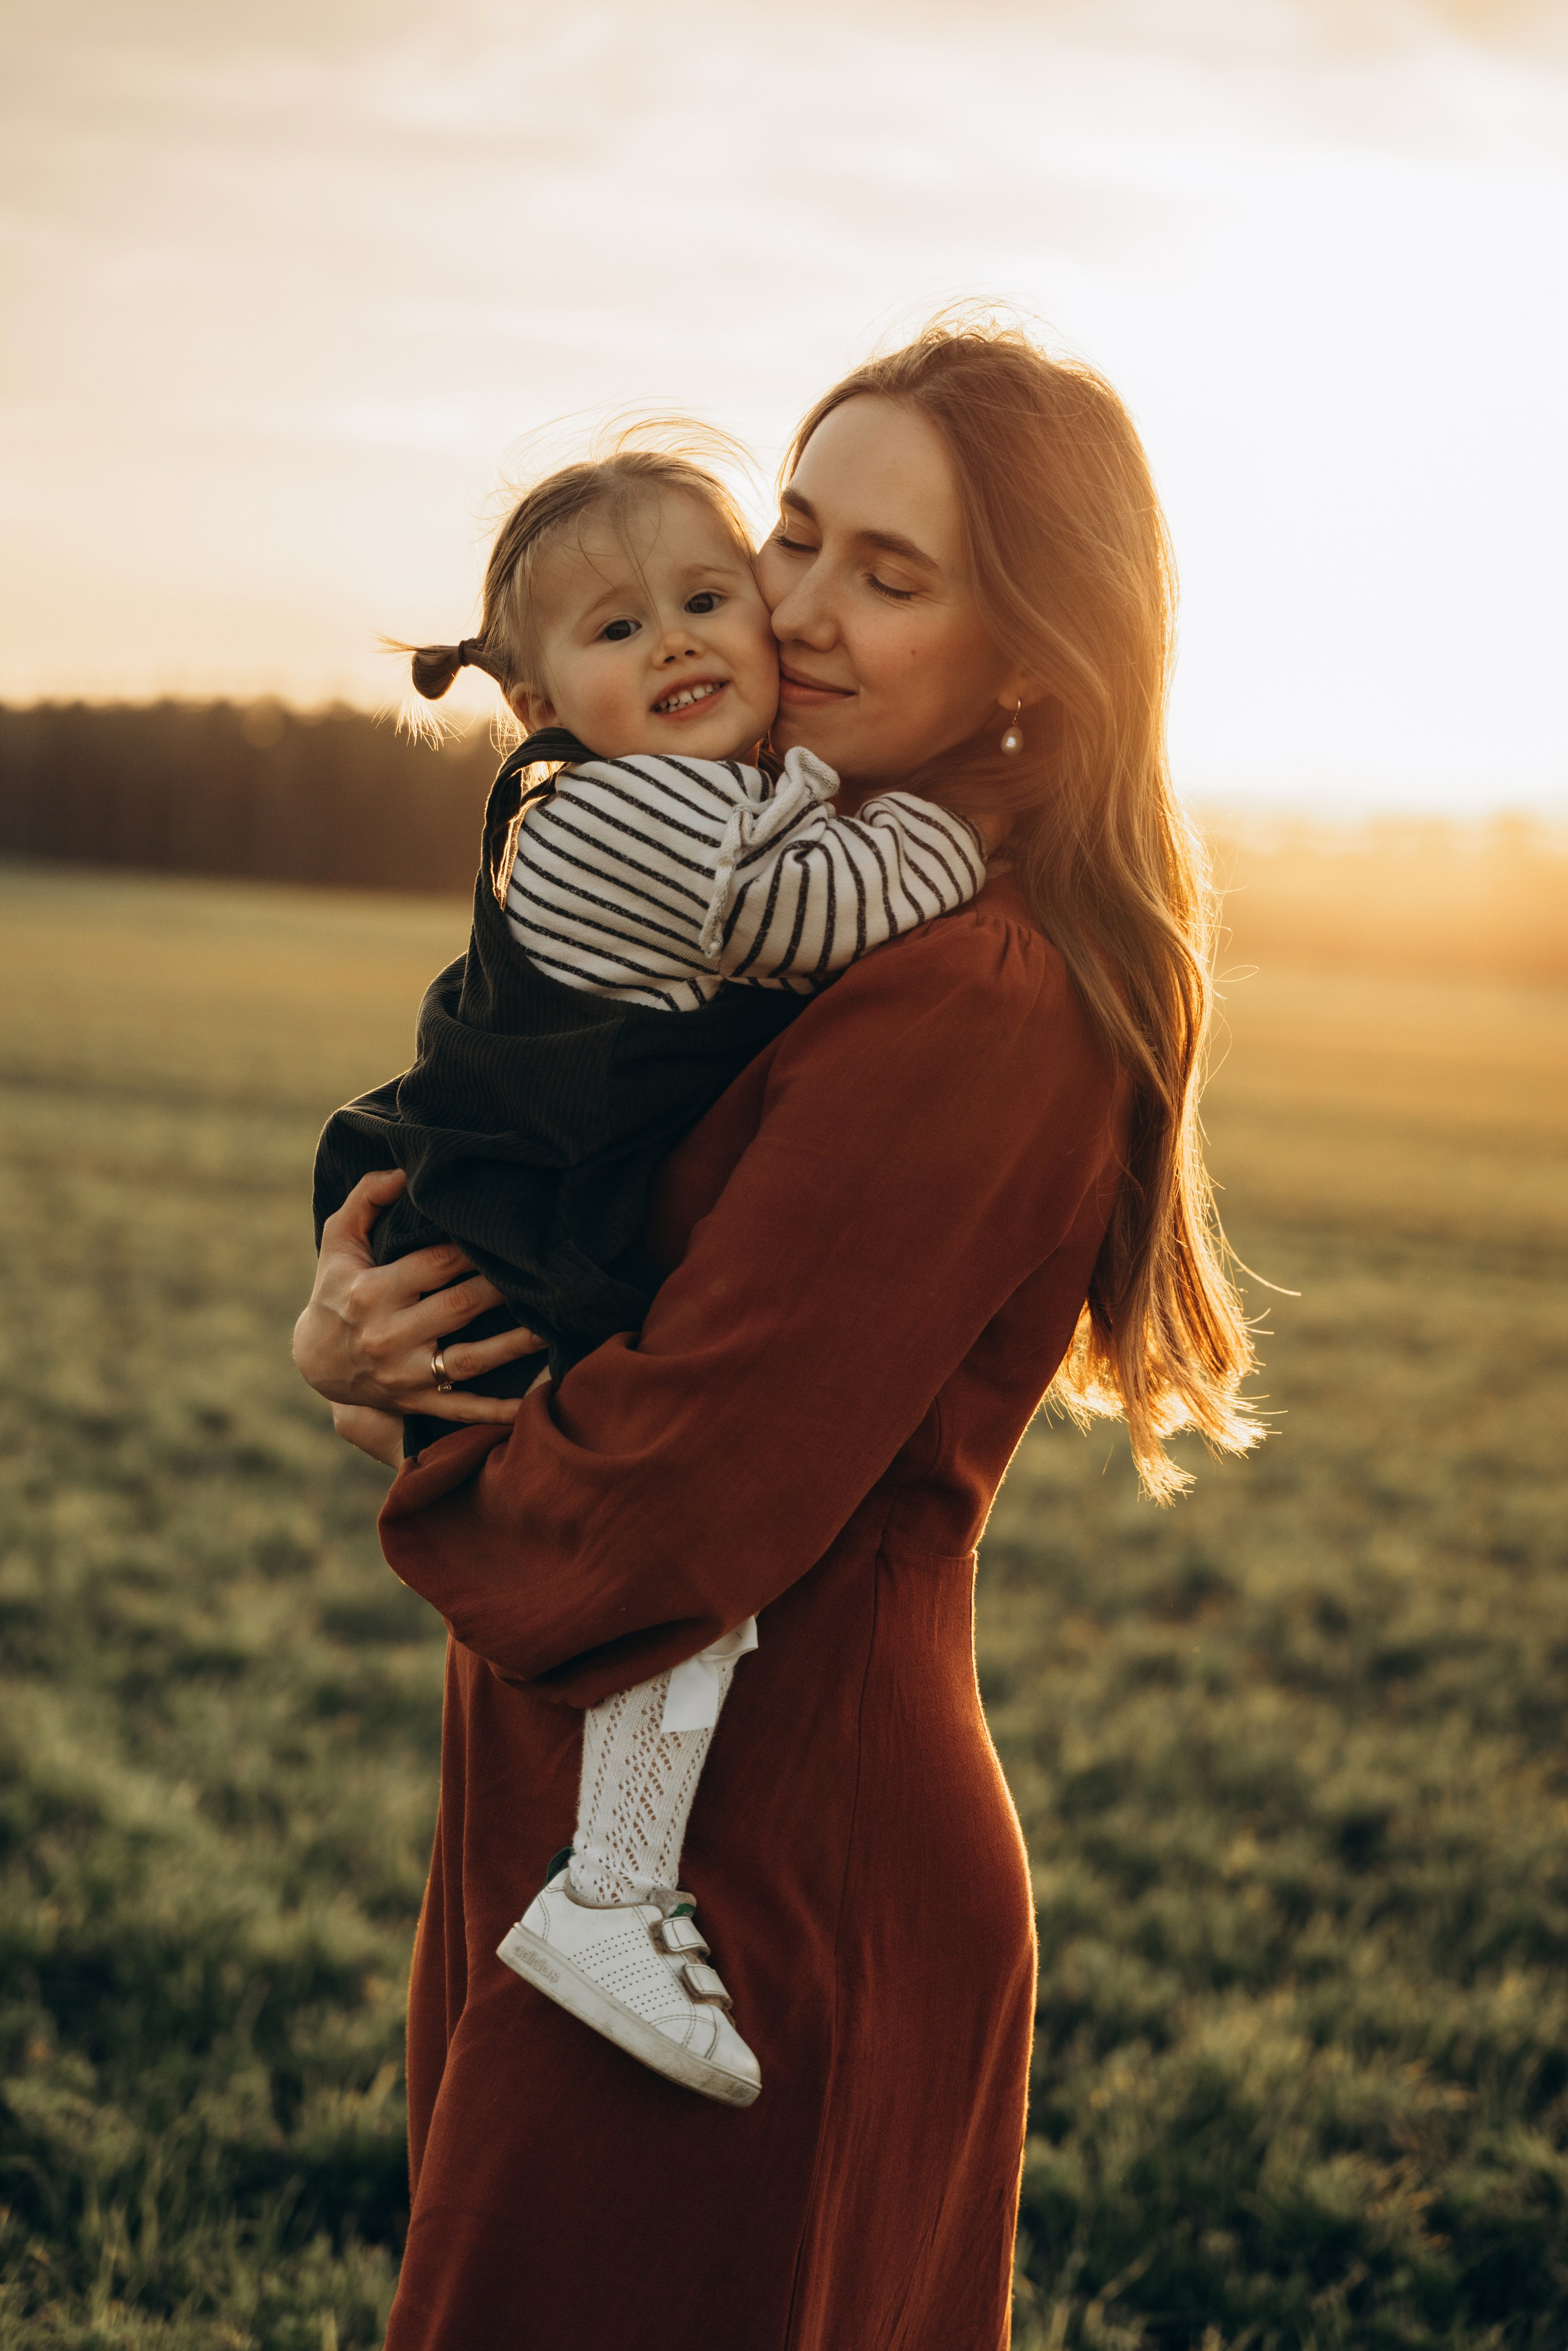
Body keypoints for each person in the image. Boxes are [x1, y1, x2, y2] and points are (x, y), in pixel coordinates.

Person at [295, 317, 1259, 2350]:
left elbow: (675, 1498)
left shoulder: (978, 988)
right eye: (796, 535)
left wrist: (440, 1442)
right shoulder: (786, 903)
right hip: (615, 1795)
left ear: (1035, 663)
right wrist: (369, 1320)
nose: (801, 609)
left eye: (889, 576)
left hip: (760, 1865)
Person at [311, 442, 990, 2108]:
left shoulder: (681, 794)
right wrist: (973, 822)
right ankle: (612, 1891)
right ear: (538, 702)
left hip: (531, 1198)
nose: (682, 640)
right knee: (673, 1576)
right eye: (621, 630)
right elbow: (828, 910)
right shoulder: (630, 814)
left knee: (656, 1553)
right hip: (527, 1228)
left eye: (706, 596)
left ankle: (611, 1885)